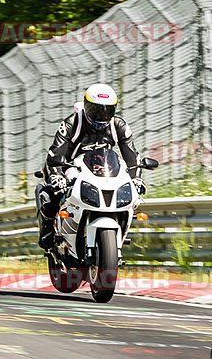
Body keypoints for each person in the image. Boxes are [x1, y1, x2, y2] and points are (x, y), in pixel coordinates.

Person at [37, 83, 145, 250]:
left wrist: (137, 178)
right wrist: (56, 175)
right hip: (69, 167)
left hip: (103, 171)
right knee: (51, 193)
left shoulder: (119, 126)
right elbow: (54, 154)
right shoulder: (71, 123)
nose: (101, 116)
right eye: (96, 110)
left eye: (107, 111)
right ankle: (48, 230)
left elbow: (132, 158)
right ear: (86, 107)